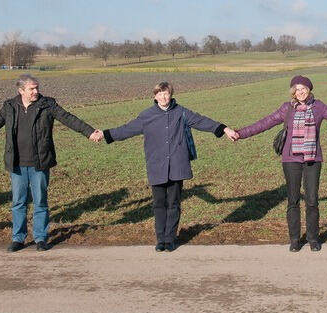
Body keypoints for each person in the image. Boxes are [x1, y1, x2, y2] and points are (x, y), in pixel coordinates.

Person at [231, 75, 327, 252]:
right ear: (293, 92)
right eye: (297, 89)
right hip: (290, 160)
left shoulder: (319, 107)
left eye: (304, 89)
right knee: (293, 200)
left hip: (312, 159)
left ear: (309, 90)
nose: (300, 92)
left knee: (312, 200)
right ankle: (294, 240)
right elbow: (264, 123)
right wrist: (240, 133)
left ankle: (313, 239)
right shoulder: (286, 109)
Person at [0, 74, 99, 252]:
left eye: (37, 88)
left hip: (39, 163)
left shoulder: (47, 105)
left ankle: (41, 238)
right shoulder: (10, 107)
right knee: (19, 202)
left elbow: (69, 118)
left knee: (40, 201)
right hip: (17, 164)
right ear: (21, 91)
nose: (36, 91)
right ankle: (18, 238)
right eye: (32, 89)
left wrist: (89, 132)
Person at [101, 81, 236, 251]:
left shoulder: (181, 112)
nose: (163, 97)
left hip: (177, 165)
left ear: (171, 95)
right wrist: (105, 134)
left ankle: (170, 238)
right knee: (158, 204)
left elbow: (201, 121)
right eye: (160, 94)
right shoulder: (147, 115)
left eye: (166, 94)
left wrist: (224, 129)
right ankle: (160, 240)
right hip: (156, 166)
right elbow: (127, 129)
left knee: (173, 203)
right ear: (155, 96)